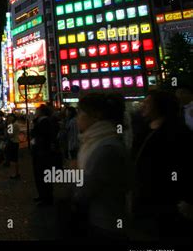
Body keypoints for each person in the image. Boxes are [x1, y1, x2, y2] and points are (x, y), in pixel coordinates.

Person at [131, 90, 193, 241]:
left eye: (147, 103)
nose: (142, 106)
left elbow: (186, 165)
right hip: (144, 196)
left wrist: (187, 199)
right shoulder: (144, 129)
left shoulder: (178, 131)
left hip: (168, 199)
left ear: (160, 106)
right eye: (143, 103)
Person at [72, 93, 129, 240]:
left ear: (96, 115)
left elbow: (84, 190)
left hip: (105, 222)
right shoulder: (97, 140)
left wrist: (73, 175)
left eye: (81, 112)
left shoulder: (106, 147)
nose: (77, 118)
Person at [30, 104, 55, 206]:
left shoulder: (45, 121)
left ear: (41, 112)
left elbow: (41, 135)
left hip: (43, 152)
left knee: (43, 175)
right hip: (39, 151)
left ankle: (46, 198)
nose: (36, 112)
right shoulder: (41, 121)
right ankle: (42, 195)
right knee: (39, 175)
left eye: (37, 111)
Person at [5, 114, 20, 179]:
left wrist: (8, 125)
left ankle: (14, 174)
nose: (8, 119)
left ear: (13, 118)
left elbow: (10, 134)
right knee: (15, 159)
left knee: (13, 159)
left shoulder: (12, 125)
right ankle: (16, 173)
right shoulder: (16, 124)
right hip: (15, 142)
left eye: (9, 118)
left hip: (13, 142)